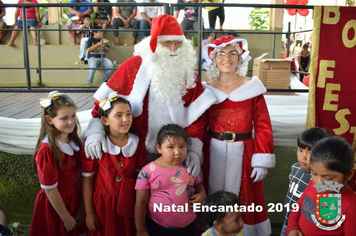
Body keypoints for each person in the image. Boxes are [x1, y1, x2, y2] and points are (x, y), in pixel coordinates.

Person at [82, 14, 217, 178]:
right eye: (167, 42)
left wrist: (194, 150)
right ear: (155, 43)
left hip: (174, 154)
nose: (173, 48)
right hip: (135, 150)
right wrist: (96, 132)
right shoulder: (134, 66)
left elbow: (197, 116)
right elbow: (104, 104)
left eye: (177, 42)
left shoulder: (188, 75)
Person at [201, 36, 275, 236]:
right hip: (211, 152)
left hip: (245, 154)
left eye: (232, 52)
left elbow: (262, 125)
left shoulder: (252, 88)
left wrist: (262, 158)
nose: (227, 58)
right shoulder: (205, 89)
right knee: (212, 198)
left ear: (240, 57)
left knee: (245, 199)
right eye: (221, 53)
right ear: (213, 58)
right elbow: (199, 125)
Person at [81, 92, 146, 236]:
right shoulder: (96, 145)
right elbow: (87, 179)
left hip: (128, 204)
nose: (126, 119)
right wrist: (89, 212)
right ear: (104, 120)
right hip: (101, 206)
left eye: (128, 114)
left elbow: (140, 179)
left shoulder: (137, 143)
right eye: (119, 115)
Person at [135, 124, 206, 236]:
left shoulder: (189, 167)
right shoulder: (147, 172)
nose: (177, 152)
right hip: (159, 229)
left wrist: (202, 194)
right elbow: (140, 203)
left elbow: (198, 185)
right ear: (159, 148)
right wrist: (140, 230)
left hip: (189, 227)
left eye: (182, 147)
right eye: (171, 147)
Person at [29, 91, 84, 236]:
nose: (71, 121)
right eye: (64, 118)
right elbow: (50, 189)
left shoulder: (75, 143)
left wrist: (81, 208)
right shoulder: (47, 151)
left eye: (73, 115)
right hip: (56, 208)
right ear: (49, 120)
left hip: (75, 203)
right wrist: (65, 217)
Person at [286, 136, 356, 236]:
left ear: (349, 174)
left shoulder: (351, 207)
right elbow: (298, 207)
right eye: (314, 173)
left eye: (328, 178)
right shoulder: (313, 184)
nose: (319, 183)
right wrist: (292, 228)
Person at [280, 127, 332, 236]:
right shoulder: (295, 167)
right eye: (300, 150)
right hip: (287, 221)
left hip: (303, 227)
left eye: (310, 153)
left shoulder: (319, 180)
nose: (303, 157)